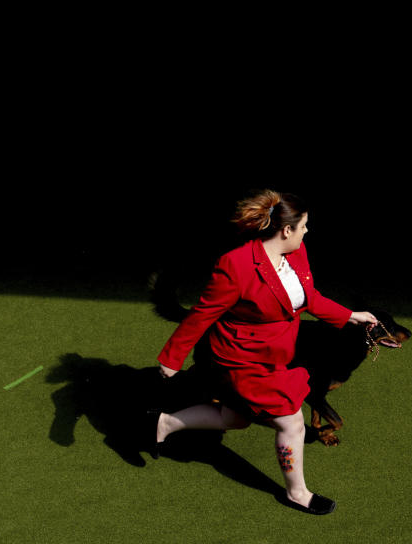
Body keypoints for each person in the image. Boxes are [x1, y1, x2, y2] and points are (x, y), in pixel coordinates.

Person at [154, 189, 377, 515]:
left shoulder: (297, 254)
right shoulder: (236, 266)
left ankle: (165, 423)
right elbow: (202, 314)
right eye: (303, 225)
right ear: (286, 230)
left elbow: (309, 297)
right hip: (240, 359)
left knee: (235, 418)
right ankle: (297, 493)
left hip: (274, 357)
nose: (306, 231)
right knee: (292, 422)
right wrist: (171, 360)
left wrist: (349, 315)